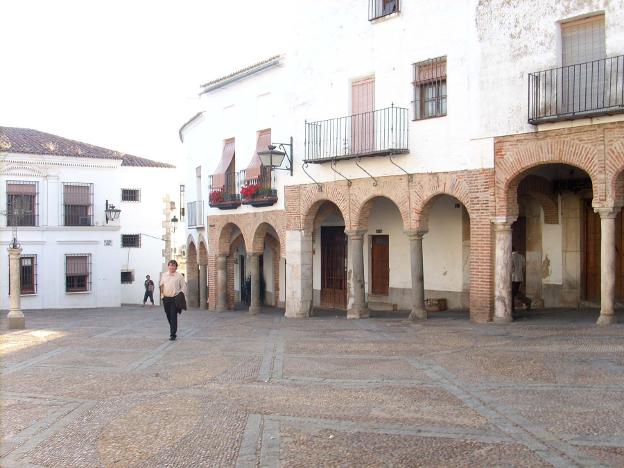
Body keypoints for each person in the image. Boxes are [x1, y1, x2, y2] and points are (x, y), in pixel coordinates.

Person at [159, 260, 186, 341]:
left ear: (176, 267)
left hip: (175, 298)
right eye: (170, 265)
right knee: (168, 315)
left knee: (173, 316)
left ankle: (173, 334)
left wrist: (180, 295)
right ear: (168, 266)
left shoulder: (179, 276)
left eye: (173, 266)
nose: (171, 267)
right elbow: (161, 285)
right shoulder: (164, 275)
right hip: (166, 298)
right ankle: (173, 327)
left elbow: (183, 286)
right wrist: (162, 296)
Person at [511, 247, 531, 315]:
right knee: (515, 292)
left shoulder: (510, 257)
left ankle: (512, 308)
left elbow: (511, 268)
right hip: (519, 277)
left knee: (511, 293)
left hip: (512, 278)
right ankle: (527, 301)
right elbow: (524, 267)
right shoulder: (521, 257)